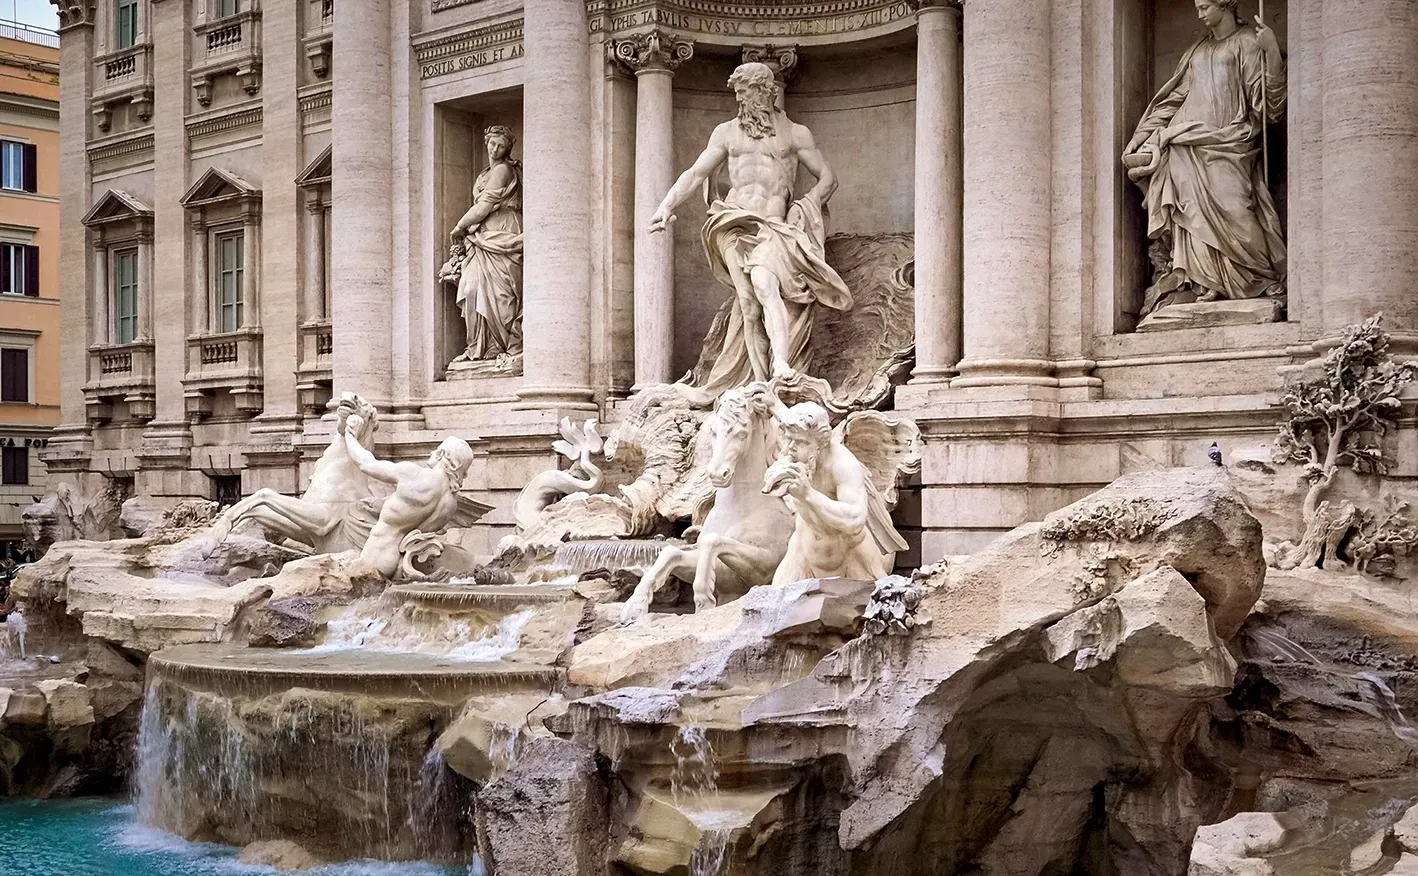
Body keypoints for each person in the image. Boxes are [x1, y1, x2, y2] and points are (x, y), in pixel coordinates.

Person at [650, 62, 852, 402]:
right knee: (747, 302)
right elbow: (696, 173)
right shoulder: (726, 133)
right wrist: (665, 207)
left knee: (763, 283)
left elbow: (828, 179)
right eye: (738, 93)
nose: (741, 99)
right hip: (731, 221)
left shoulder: (795, 133)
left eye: (746, 91)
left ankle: (782, 366)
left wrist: (804, 207)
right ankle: (759, 383)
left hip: (773, 225)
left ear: (766, 91)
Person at [1123, 0, 1286, 317]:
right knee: (1190, 212)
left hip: (1229, 142)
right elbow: (1171, 100)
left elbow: (1268, 107)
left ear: (1225, 5)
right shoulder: (1196, 51)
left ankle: (1260, 274)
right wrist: (1140, 138)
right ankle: (1204, 280)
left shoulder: (1249, 43)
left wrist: (1273, 56)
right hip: (1184, 144)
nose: (1199, 14)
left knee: (1237, 207)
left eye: (1205, 6)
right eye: (1197, 7)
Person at [341, 416, 474, 578]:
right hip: (402, 564)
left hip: (376, 557)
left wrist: (350, 435)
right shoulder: (450, 504)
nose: (432, 452)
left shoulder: (415, 475)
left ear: (441, 454)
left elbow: (366, 464)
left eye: (436, 449)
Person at [441, 125, 524, 366]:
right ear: (486, 143)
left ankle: (504, 345)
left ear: (508, 149)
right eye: (492, 144)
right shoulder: (483, 174)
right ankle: (480, 348)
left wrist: (459, 226)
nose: (496, 149)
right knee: (471, 287)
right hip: (482, 236)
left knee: (502, 294)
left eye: (501, 146)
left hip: (503, 231)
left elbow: (484, 206)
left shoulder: (503, 170)